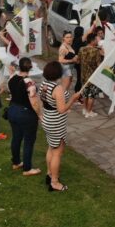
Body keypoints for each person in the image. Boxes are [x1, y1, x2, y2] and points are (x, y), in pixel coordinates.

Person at [40, 61, 83, 192]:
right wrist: (73, 99)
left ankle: (49, 173)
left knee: (51, 148)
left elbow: (48, 102)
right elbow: (62, 109)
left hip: (48, 120)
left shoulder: (44, 84)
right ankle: (54, 182)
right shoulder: (56, 88)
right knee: (57, 153)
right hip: (55, 123)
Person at [8, 57, 42, 176]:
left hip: (12, 110)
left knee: (16, 137)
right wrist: (39, 114)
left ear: (19, 66)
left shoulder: (12, 78)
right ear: (31, 67)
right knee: (28, 141)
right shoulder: (29, 83)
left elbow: (12, 92)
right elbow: (34, 102)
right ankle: (27, 168)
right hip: (25, 113)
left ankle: (16, 162)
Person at [78, 32, 103, 118]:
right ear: (92, 41)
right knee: (92, 95)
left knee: (85, 94)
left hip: (83, 75)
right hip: (93, 77)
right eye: (96, 39)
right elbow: (99, 64)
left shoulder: (81, 49)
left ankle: (85, 109)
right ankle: (89, 112)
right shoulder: (96, 51)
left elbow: (78, 61)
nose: (97, 41)